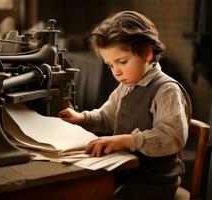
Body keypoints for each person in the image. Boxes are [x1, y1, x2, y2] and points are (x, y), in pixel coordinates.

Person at [57, 11, 192, 200]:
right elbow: (107, 116)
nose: (117, 72)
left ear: (147, 52)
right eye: (110, 65)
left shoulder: (166, 90)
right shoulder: (125, 87)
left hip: (154, 181)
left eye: (122, 62)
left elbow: (172, 137)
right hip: (125, 170)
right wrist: (81, 118)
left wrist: (125, 140)